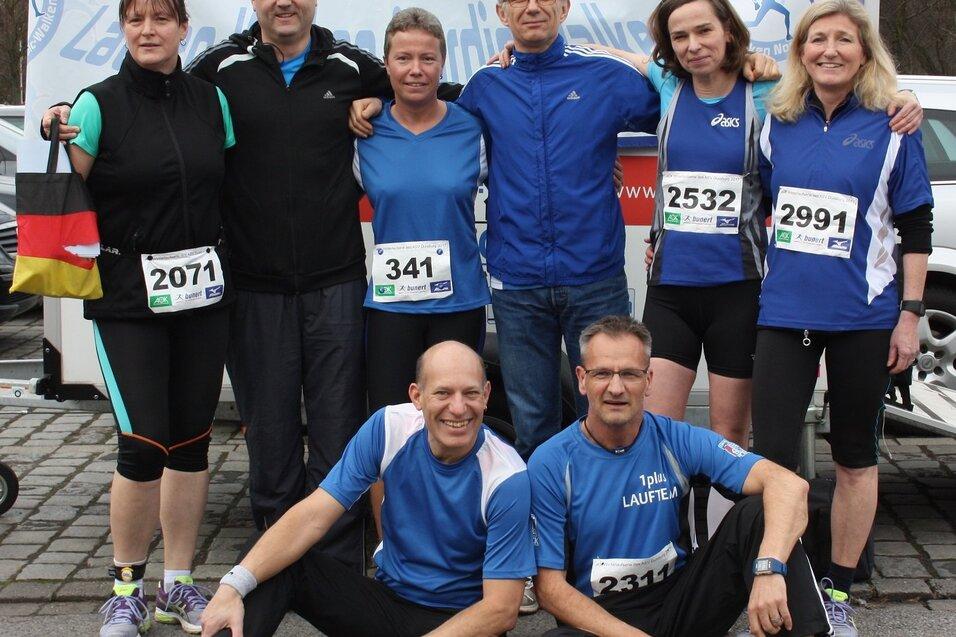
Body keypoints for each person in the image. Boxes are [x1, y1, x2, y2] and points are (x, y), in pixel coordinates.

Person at [43, 0, 450, 573]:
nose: (284, 2)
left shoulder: (353, 66)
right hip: (251, 285)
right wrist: (66, 111)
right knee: (271, 431)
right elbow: (149, 96)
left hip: (334, 280)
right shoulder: (219, 69)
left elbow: (424, 83)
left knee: (337, 428)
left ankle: (332, 559)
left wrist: (383, 96)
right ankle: (277, 558)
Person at [752, 2, 934, 635]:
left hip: (865, 318)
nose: (829, 50)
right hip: (784, 315)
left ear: (864, 52)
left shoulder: (894, 125)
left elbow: (916, 226)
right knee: (773, 457)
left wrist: (909, 316)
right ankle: (783, 580)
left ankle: (839, 591)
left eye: (844, 40)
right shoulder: (777, 122)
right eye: (817, 39)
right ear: (801, 51)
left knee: (855, 456)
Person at [64, 1, 235, 635]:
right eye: (136, 20)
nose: (148, 31)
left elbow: (229, 181)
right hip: (127, 298)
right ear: (124, 30)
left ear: (183, 29)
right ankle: (125, 589)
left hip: (202, 293)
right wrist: (55, 130)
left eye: (162, 19)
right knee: (142, 444)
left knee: (191, 443)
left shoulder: (207, 100)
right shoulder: (96, 103)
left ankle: (178, 586)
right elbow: (61, 188)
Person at [200, 341, 535, 637]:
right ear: (417, 396)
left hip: (462, 621)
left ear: (487, 395)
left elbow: (501, 611)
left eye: (471, 393)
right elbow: (312, 516)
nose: (459, 408)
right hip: (388, 603)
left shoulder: (507, 476)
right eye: (443, 393)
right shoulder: (389, 427)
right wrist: (231, 587)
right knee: (264, 558)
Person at [527, 315, 830, 637]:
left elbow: (788, 484)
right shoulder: (551, 462)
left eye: (630, 374)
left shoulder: (676, 439)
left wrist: (769, 568)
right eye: (602, 373)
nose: (616, 387)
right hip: (601, 620)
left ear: (649, 380)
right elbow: (549, 589)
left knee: (759, 512)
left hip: (681, 605)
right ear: (582, 379)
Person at [353, 8, 490, 541]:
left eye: (426, 58)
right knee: (391, 429)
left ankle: (459, 537)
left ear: (442, 64)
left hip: (458, 302)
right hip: (389, 308)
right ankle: (392, 545)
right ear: (385, 65)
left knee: (457, 424)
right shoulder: (363, 131)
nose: (415, 69)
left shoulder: (472, 128)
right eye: (403, 58)